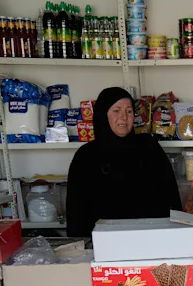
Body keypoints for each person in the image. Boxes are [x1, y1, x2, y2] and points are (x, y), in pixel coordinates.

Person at [65, 87, 181, 237]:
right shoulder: (86, 156)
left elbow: (171, 196)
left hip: (151, 240)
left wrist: (178, 235)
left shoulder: (149, 147)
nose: (124, 117)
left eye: (129, 111)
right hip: (104, 245)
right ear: (103, 115)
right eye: (116, 111)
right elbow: (76, 210)